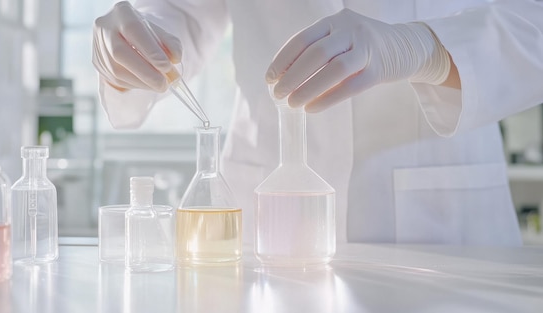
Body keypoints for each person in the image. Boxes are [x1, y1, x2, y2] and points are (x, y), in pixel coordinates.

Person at [92, 0, 543, 246]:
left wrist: (427, 49)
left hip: (440, 222)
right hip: (266, 209)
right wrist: (140, 38)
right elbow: (184, 12)